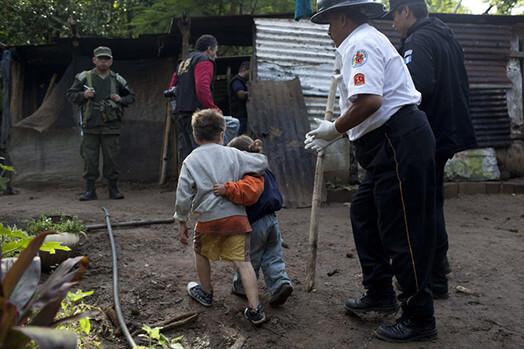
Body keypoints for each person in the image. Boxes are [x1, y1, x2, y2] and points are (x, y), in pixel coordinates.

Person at [305, 0, 438, 343]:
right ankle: (379, 291)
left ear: (343, 18)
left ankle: (418, 316)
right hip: (388, 145)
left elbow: (369, 101)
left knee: (403, 229)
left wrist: (333, 129)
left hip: (396, 140)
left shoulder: (359, 44)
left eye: (330, 24)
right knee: (364, 212)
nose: (329, 32)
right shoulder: (363, 40)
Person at [385, 0, 478, 300]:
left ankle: (434, 275)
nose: (393, 24)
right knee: (432, 200)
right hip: (448, 129)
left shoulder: (419, 39)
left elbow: (416, 86)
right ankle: (439, 271)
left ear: (406, 11)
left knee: (422, 206)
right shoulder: (446, 37)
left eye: (394, 16)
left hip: (430, 132)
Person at [174, 109, 269, 325]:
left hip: (207, 220)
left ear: (196, 136)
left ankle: (206, 293)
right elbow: (262, 163)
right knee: (243, 262)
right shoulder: (233, 154)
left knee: (200, 252)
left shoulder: (190, 160)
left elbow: (183, 194)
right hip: (236, 219)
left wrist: (181, 219)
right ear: (222, 134)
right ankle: (255, 309)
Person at [213, 135, 293, 306]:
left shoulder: (247, 174)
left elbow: (246, 194)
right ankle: (280, 283)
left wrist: (226, 190)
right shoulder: (265, 170)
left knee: (249, 258)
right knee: (273, 256)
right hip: (272, 221)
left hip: (255, 224)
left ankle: (241, 287)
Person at [67, 46, 135, 201]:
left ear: (111, 61)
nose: (103, 61)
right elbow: (70, 95)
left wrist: (121, 99)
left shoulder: (117, 79)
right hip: (90, 125)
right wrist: (83, 95)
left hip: (111, 126)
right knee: (89, 159)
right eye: (100, 58)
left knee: (111, 158)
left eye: (106, 59)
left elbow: (131, 97)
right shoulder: (84, 77)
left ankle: (113, 189)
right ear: (94, 60)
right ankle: (90, 191)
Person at [169, 34, 221, 161]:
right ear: (210, 49)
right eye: (215, 51)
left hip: (181, 114)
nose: (216, 56)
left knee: (189, 156)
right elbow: (202, 86)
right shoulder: (203, 60)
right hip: (197, 115)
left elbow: (172, 88)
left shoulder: (183, 63)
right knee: (202, 155)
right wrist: (212, 108)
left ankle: (189, 180)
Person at [228, 61, 250, 135]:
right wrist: (252, 92)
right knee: (240, 134)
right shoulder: (237, 81)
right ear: (244, 70)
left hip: (243, 114)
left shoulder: (243, 81)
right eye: (249, 71)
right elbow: (241, 95)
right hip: (239, 114)